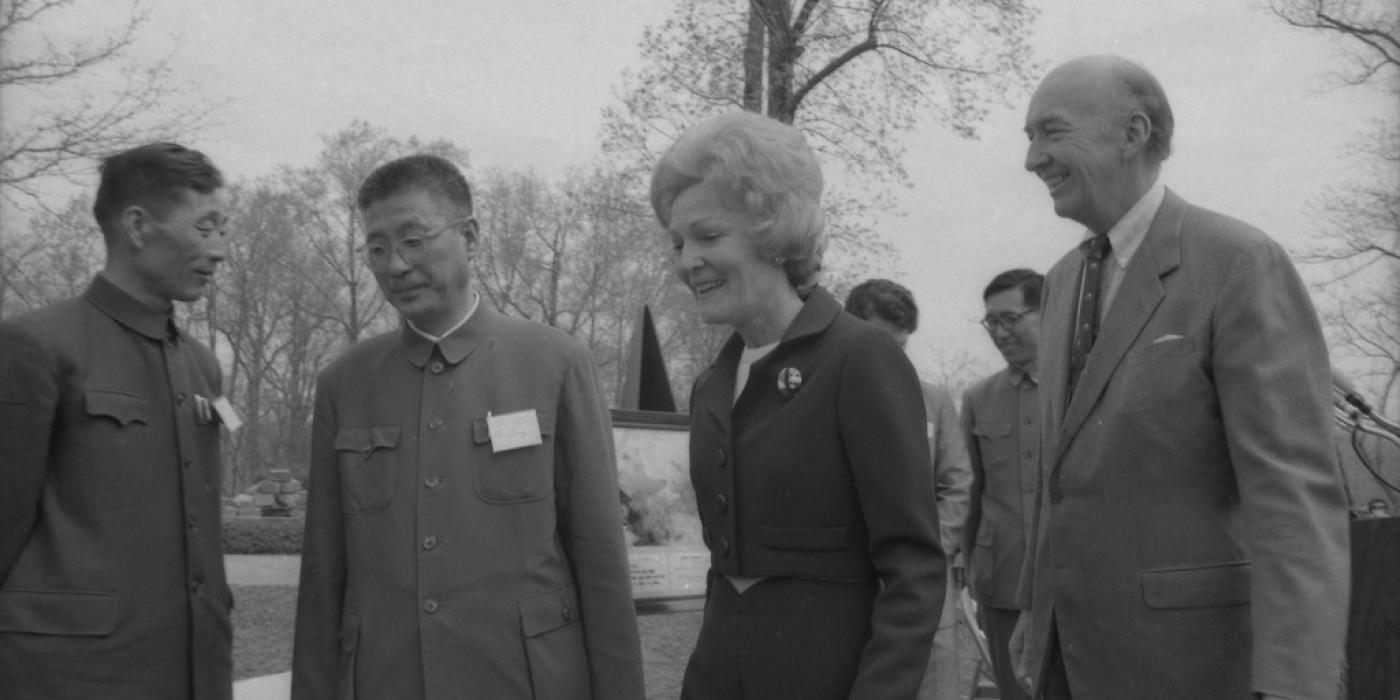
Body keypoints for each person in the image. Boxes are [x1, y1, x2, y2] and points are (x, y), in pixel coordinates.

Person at [1013, 55, 1351, 699]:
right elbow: (1056, 480)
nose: (1033, 159)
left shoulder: (1239, 263)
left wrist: (1296, 683)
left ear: (1133, 133)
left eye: (1051, 132)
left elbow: (1294, 498)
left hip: (1195, 668)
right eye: (1028, 138)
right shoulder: (1058, 283)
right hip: (1071, 662)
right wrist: (1036, 610)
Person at [291, 155, 645, 699]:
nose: (396, 265)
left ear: (471, 237)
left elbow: (601, 562)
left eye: (414, 240)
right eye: (377, 248)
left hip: (527, 682)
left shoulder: (555, 364)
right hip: (387, 681)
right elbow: (322, 575)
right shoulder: (345, 383)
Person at [653, 111, 946, 700]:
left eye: (708, 237)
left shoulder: (859, 359)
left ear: (773, 230)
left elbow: (912, 571)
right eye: (679, 242)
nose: (687, 261)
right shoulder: (712, 382)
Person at [0, 142, 234, 698]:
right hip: (71, 676)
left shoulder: (201, 366)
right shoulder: (35, 346)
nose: (221, 250)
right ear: (137, 225)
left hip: (193, 668)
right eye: (206, 228)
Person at [844, 278, 971, 700]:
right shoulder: (826, 395)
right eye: (881, 343)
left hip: (924, 579)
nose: (892, 358)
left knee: (934, 683)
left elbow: (957, 483)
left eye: (900, 347)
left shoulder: (934, 401)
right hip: (850, 577)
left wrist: (929, 550)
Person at [959, 269, 1043, 700]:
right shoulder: (977, 399)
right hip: (1002, 580)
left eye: (1011, 319)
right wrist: (970, 567)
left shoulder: (1085, 390)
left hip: (1070, 582)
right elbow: (969, 497)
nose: (1000, 332)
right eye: (992, 322)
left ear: (1046, 314)